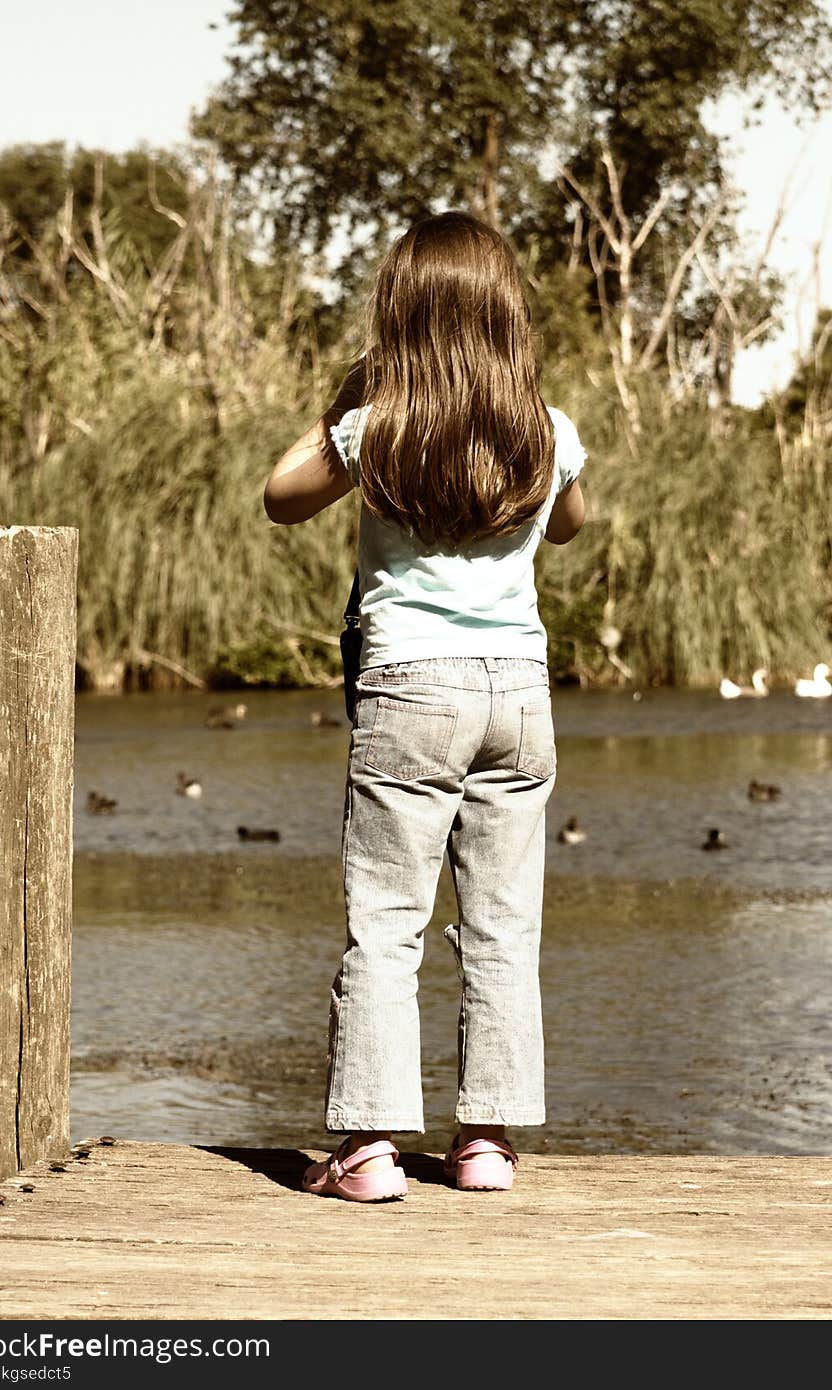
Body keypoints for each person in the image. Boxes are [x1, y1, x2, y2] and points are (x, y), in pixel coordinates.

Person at [264, 211, 586, 1202]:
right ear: (505, 318)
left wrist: (351, 403)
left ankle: (367, 1150)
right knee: (499, 922)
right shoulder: (545, 430)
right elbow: (569, 523)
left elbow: (279, 495)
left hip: (412, 688)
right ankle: (483, 1142)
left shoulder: (376, 427)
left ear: (399, 318)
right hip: (517, 693)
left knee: (388, 920)